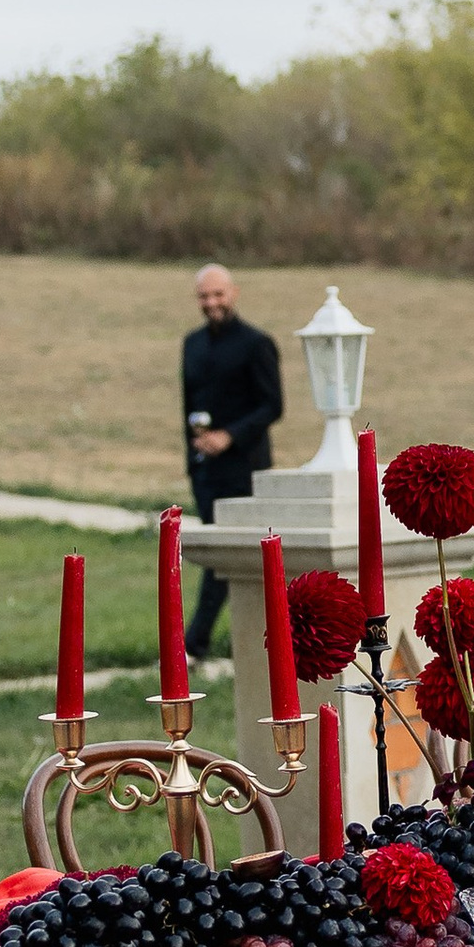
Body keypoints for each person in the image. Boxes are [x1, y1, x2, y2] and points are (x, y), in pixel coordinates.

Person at [179, 265, 285, 658]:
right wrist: (194, 454)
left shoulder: (257, 343)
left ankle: (195, 643)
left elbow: (272, 405)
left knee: (230, 554)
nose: (212, 303)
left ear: (234, 294)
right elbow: (187, 405)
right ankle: (206, 643)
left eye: (218, 295)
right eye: (205, 297)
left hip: (245, 468)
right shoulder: (192, 344)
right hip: (206, 470)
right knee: (217, 551)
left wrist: (229, 435)